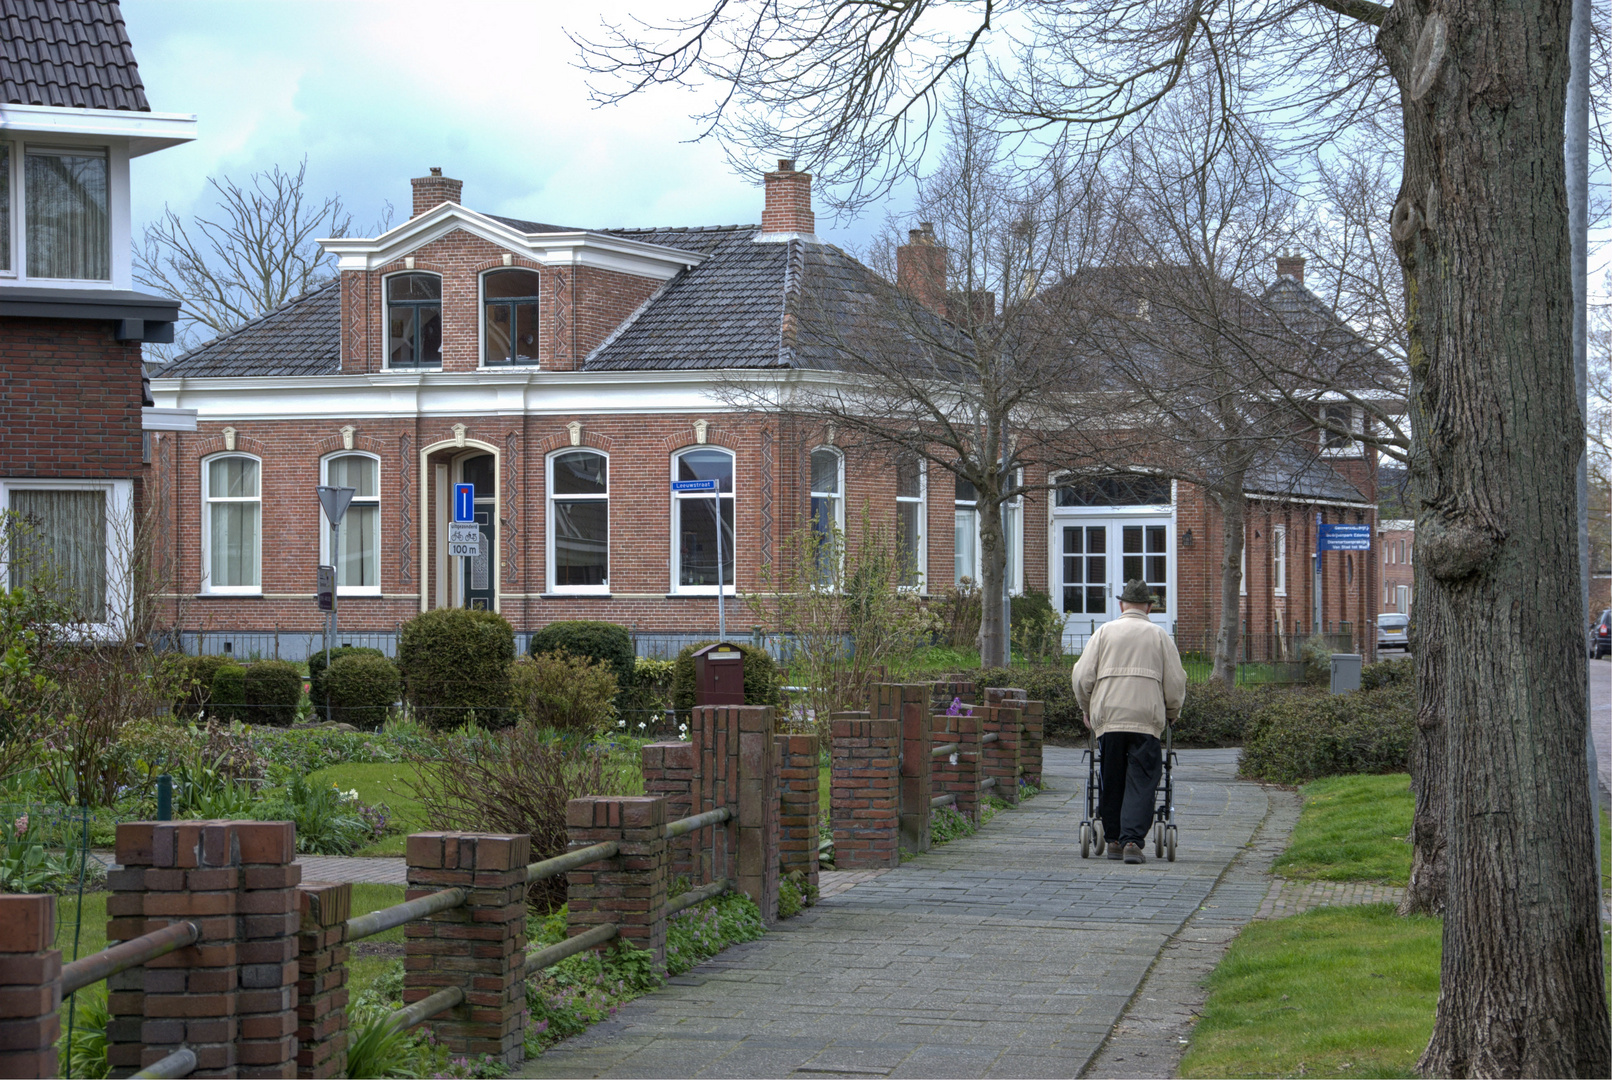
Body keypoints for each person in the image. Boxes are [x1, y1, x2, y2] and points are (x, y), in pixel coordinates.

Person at [1071, 579, 1187, 864]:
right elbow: (1175, 682)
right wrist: (1173, 712)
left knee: (1110, 776)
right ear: (1149, 607)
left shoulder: (1103, 633)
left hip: (1108, 718)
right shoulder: (1160, 636)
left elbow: (1081, 677)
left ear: (1121, 605)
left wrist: (1087, 709)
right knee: (1143, 778)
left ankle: (1112, 839)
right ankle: (1132, 841)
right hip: (1146, 720)